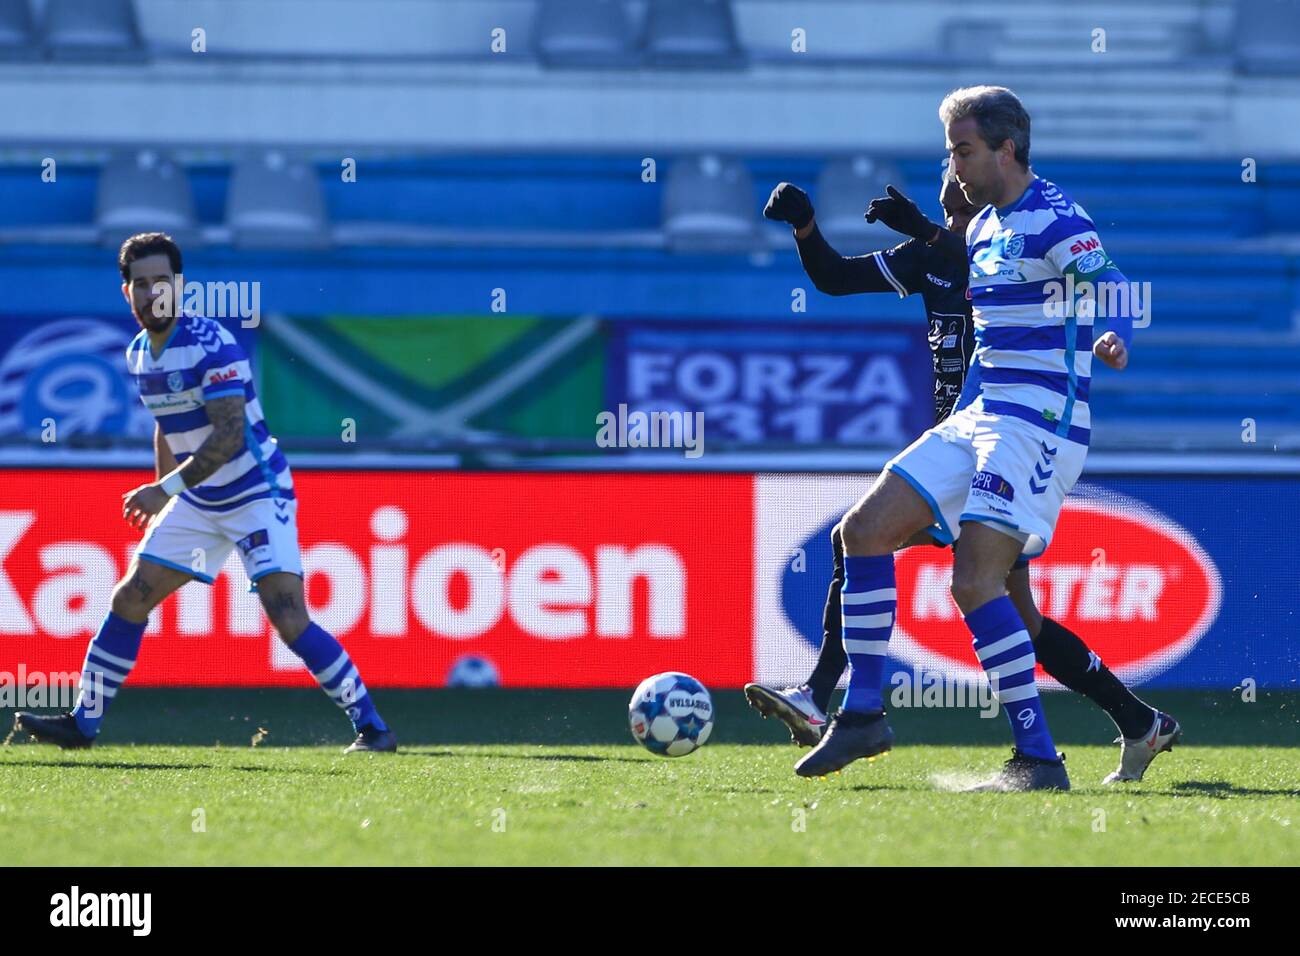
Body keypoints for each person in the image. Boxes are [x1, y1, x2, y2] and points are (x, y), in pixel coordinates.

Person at [793, 85, 1171, 791]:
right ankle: (863, 713)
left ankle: (1037, 760)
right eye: (950, 150)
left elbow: (1119, 286)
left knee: (975, 581)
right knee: (862, 531)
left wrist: (1116, 331)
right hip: (979, 414)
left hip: (1036, 423)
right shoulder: (987, 225)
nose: (954, 165)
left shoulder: (1055, 219)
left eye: (963, 150)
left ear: (1006, 149)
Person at [15, 232, 397, 754]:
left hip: (257, 493)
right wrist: (167, 497)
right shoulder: (139, 355)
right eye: (141, 284)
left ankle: (373, 727)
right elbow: (166, 426)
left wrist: (162, 490)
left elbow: (228, 438)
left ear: (180, 286)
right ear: (125, 291)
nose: (153, 294)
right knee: (130, 597)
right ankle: (82, 725)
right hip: (200, 498)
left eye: (162, 283)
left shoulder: (211, 343)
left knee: (287, 616)